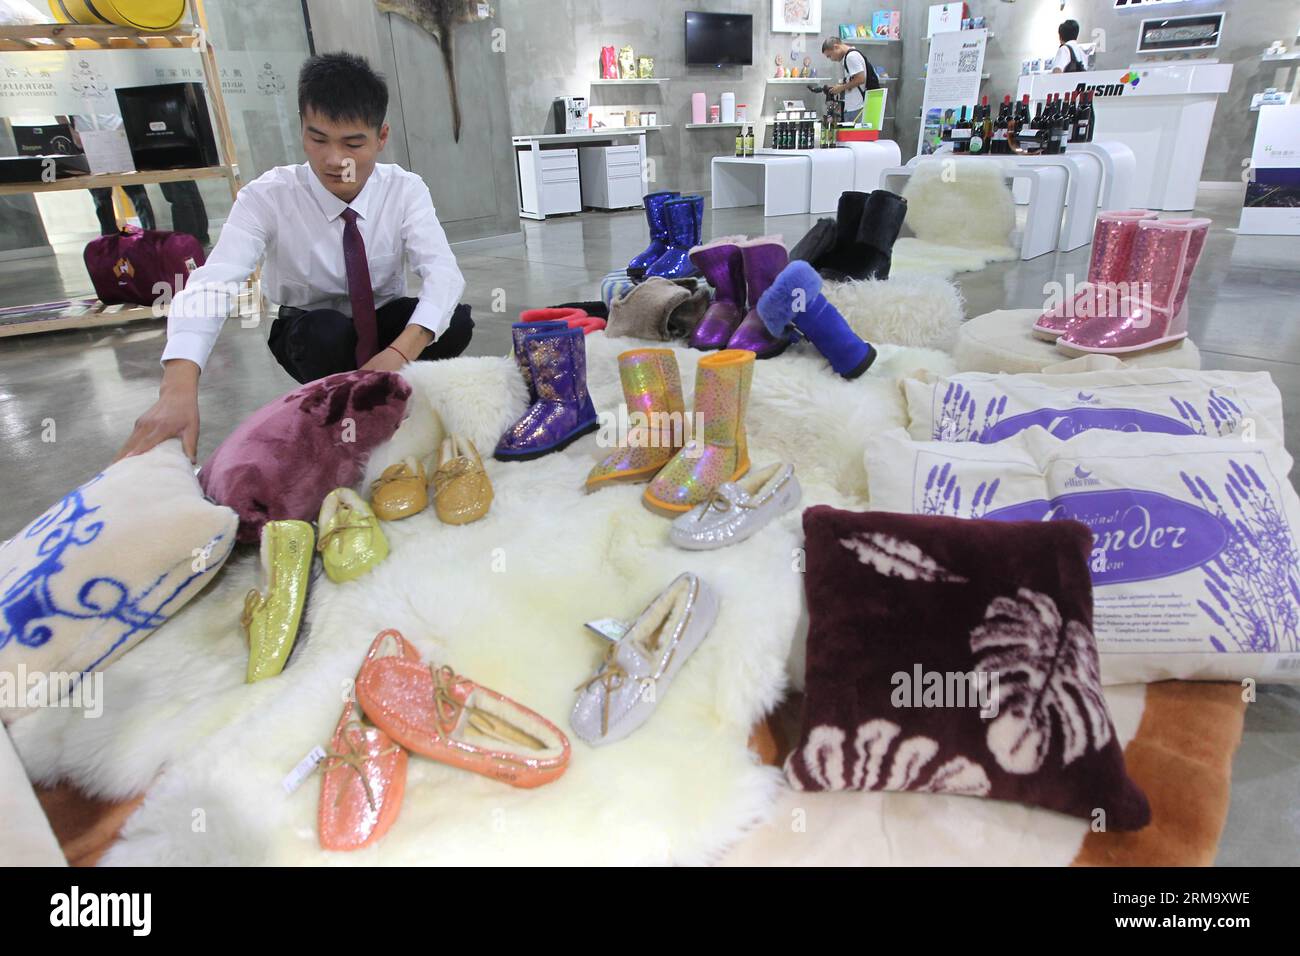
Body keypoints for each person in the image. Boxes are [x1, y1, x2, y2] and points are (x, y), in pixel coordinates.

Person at [116, 51, 471, 462]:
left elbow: (443, 272)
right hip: (309, 329)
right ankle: (342, 413)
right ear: (301, 129)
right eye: (318, 139)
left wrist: (397, 354)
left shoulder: (405, 189)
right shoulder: (267, 196)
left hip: (383, 320)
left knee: (455, 320)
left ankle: (387, 390)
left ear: (381, 136)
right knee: (325, 333)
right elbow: (214, 282)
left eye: (353, 143)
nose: (335, 160)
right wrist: (177, 385)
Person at [821, 37, 879, 125]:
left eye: (830, 56)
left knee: (856, 138)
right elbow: (854, 80)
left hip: (857, 108)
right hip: (854, 107)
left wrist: (841, 88)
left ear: (836, 47)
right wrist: (840, 86)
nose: (831, 59)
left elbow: (860, 79)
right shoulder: (849, 56)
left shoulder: (851, 57)